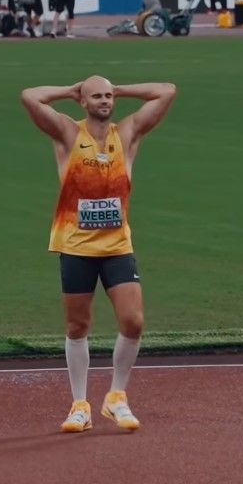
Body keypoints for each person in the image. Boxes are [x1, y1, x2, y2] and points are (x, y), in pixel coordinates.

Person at [21, 76, 177, 433]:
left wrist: (120, 89)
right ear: (83, 101)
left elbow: (167, 90)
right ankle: (80, 405)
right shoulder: (68, 134)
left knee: (133, 321)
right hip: (76, 245)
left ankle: (116, 397)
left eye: (108, 96)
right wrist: (68, 90)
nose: (105, 101)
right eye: (97, 96)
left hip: (117, 246)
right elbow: (30, 96)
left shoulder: (127, 134)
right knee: (77, 326)